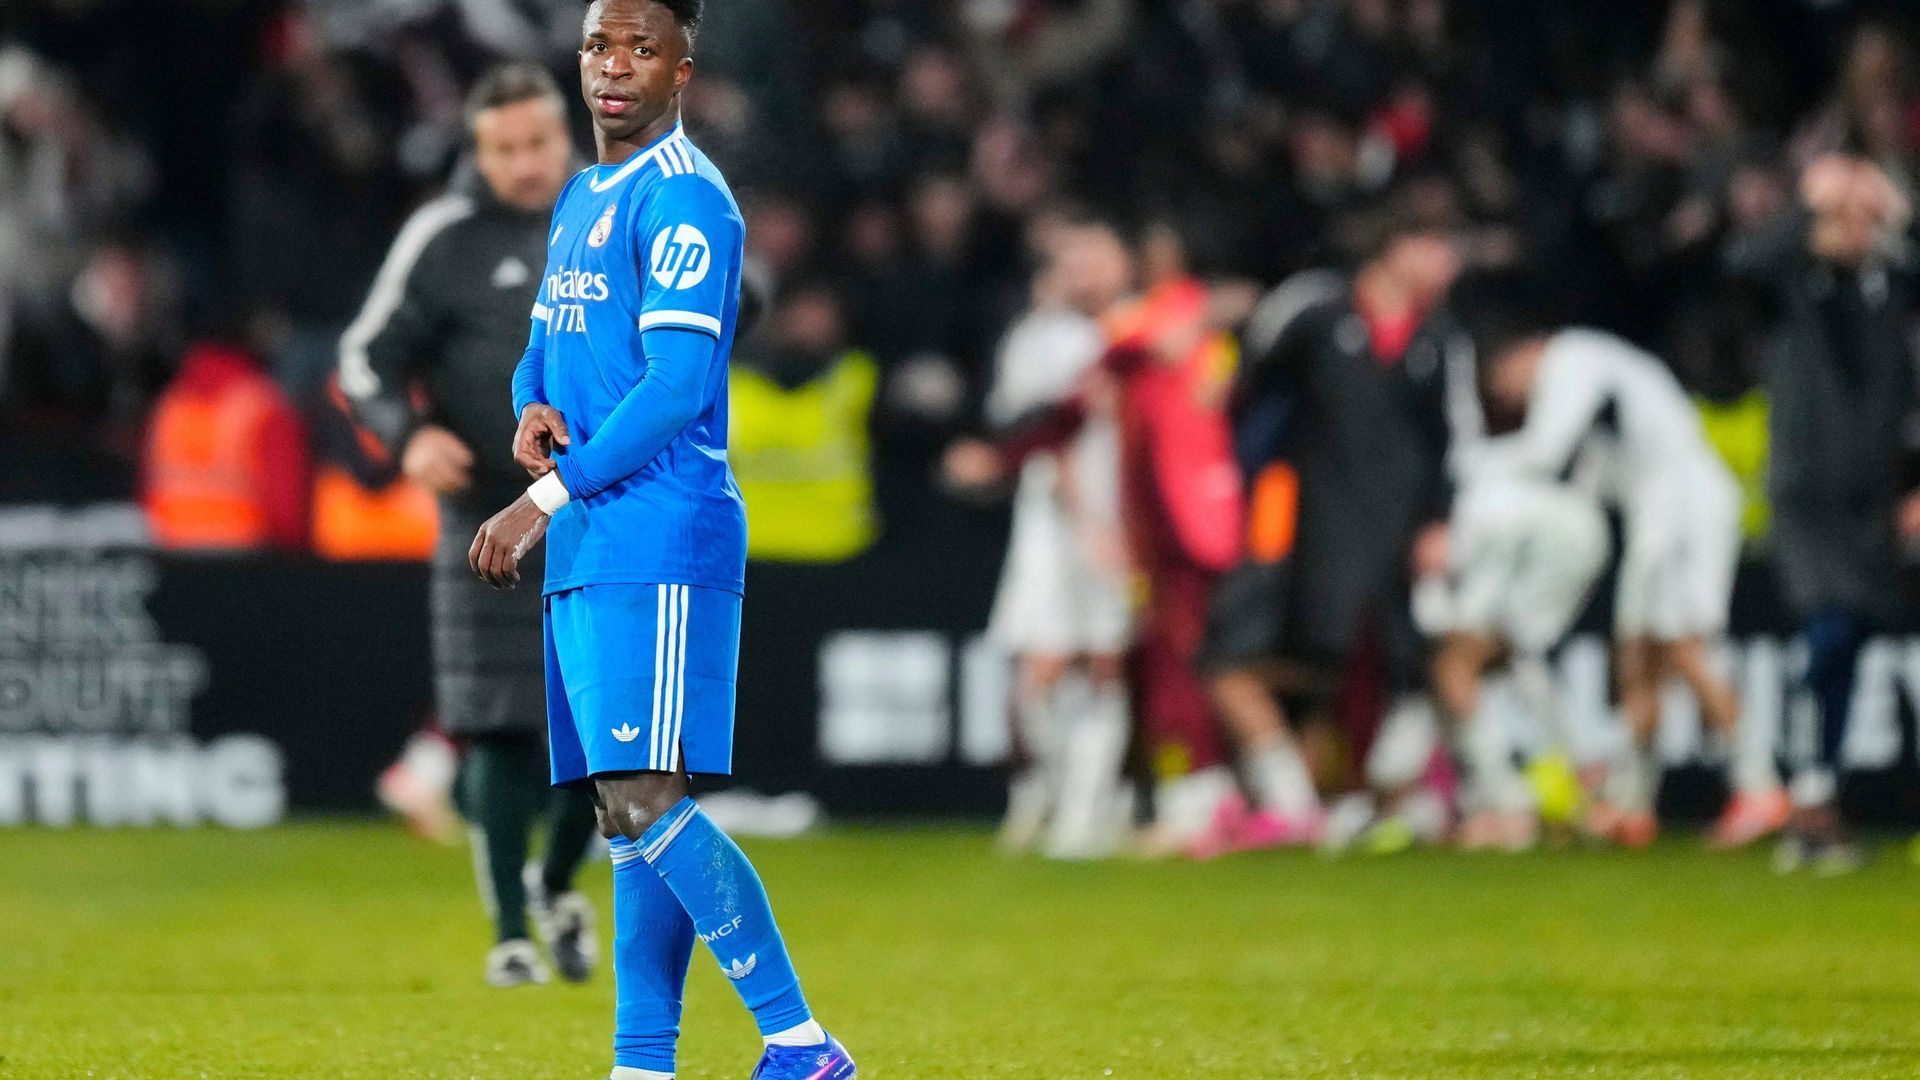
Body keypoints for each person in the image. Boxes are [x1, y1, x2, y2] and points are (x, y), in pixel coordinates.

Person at [465, 3, 854, 1077]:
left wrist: (540, 501)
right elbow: (550, 334)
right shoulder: (585, 195)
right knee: (623, 812)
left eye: (642, 47)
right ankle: (644, 1065)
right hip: (596, 532)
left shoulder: (687, 198)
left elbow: (680, 385)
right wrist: (529, 404)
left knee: (648, 798)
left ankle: (800, 1043)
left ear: (685, 66)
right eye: (599, 45)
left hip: (659, 528)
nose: (616, 67)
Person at [339, 63, 602, 987]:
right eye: (504, 148)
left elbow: (717, 301)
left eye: (538, 142)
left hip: (594, 504)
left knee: (603, 727)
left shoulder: (617, 213)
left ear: (562, 134)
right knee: (494, 724)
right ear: (476, 150)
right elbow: (364, 356)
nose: (525, 163)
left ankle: (559, 879)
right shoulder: (442, 238)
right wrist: (408, 437)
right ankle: (508, 935)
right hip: (483, 515)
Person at [1467, 288, 1787, 850]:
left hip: (1686, 506)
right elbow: (1585, 476)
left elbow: (1545, 453)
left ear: (1521, 354)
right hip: (1655, 516)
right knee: (1637, 654)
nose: (1507, 396)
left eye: (1502, 381)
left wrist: (1471, 466)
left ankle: (1759, 786)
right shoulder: (1596, 377)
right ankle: (1633, 801)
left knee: (1684, 646)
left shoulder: (1571, 359)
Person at [1195, 211, 1461, 858]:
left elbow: (1448, 442)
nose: (1449, 265)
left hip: (1396, 536)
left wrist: (1439, 520)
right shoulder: (1316, 311)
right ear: (1394, 248)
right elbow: (1245, 388)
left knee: (1392, 671)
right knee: (1261, 662)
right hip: (1305, 528)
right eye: (1436, 247)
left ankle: (1377, 804)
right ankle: (1295, 805)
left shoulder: (1439, 340)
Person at [1725, 153, 1920, 873]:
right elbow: (1744, 259)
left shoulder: (1889, 285)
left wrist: (1894, 214)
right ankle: (1809, 798)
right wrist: (1811, 205)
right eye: (1841, 219)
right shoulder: (1795, 286)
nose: (1850, 229)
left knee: (1857, 644)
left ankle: (1820, 800)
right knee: (1830, 629)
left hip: (1878, 502)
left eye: (1860, 217)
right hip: (1807, 497)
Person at [980, 220, 1135, 860]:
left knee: (1104, 659)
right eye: (1075, 261)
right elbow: (1033, 429)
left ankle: (1090, 806)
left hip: (1123, 510)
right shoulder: (1044, 338)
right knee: (1039, 666)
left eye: (1099, 257)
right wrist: (1091, 524)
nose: (1088, 272)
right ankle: (1044, 789)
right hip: (1056, 518)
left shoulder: (1133, 329)